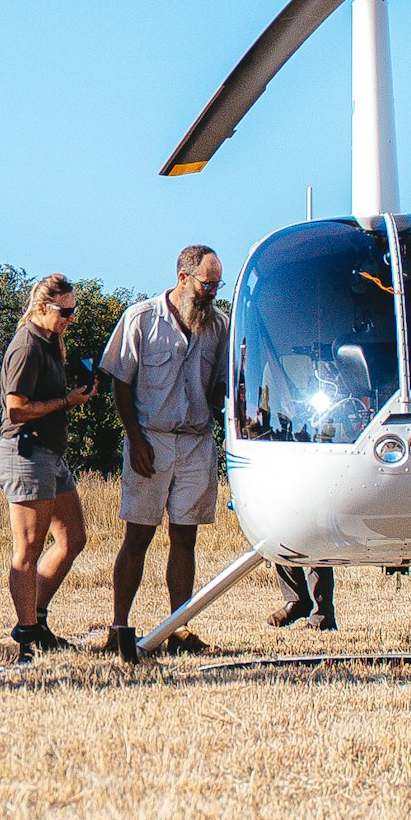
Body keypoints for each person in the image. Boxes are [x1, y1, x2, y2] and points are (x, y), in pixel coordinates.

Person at [98, 246, 226, 662]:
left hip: (196, 441)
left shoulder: (218, 326)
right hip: (150, 438)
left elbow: (220, 385)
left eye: (217, 284)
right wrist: (134, 438)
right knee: (138, 535)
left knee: (185, 536)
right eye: (207, 283)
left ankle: (179, 627)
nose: (212, 291)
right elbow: (119, 379)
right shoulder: (141, 318)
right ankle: (119, 627)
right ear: (183, 277)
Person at [0, 273, 96, 660]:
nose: (70, 317)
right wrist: (67, 402)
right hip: (25, 452)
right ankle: (27, 633)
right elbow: (16, 409)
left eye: (74, 310)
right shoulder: (26, 347)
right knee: (28, 549)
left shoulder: (52, 341)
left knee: (73, 538)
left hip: (49, 455)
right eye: (64, 311)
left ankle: (35, 617)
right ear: (42, 307)